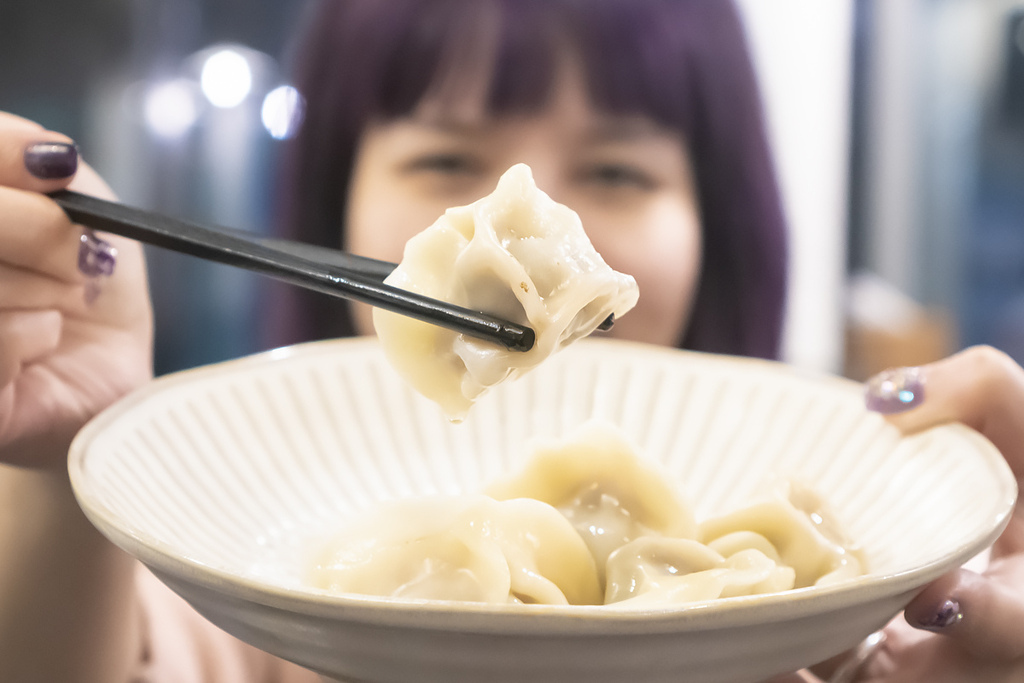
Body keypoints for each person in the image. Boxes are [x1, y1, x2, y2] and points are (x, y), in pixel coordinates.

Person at [0, 1, 1021, 681]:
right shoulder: (269, 599)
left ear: (720, 218)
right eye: (445, 156)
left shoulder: (848, 617)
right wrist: (64, 450)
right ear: (332, 195)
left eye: (619, 170)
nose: (530, 207)